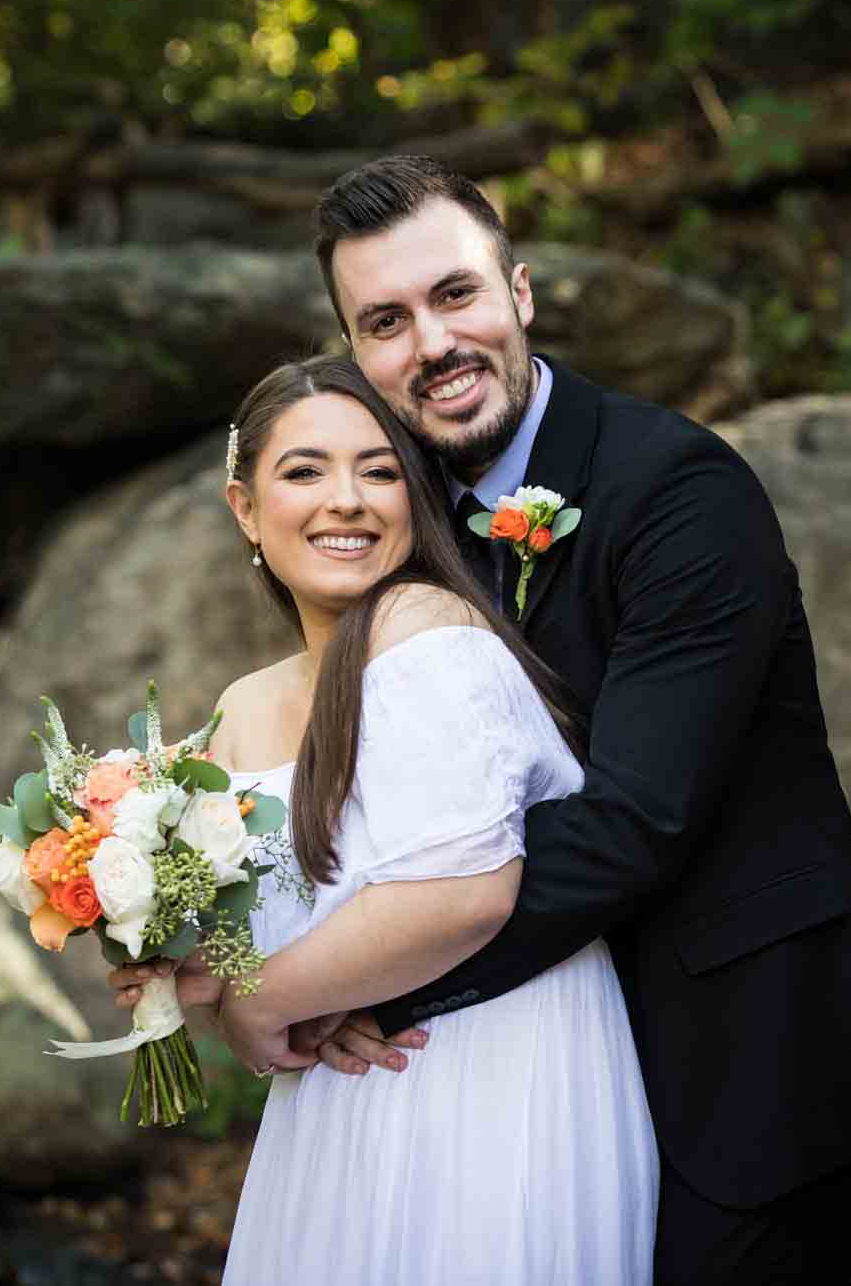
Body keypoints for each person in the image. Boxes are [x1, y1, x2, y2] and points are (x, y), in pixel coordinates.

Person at [123, 155, 851, 1283]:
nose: (430, 344)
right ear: (358, 351)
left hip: (755, 1058)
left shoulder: (677, 493)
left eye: (452, 294)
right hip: (546, 1070)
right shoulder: (404, 524)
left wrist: (337, 983)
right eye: (384, 321)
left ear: (518, 291)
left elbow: (632, 819)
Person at [172, 355, 657, 1282]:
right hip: (338, 1109)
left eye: (380, 470)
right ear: (244, 507)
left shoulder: (426, 626)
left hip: (485, 1082)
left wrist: (260, 1002)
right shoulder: (238, 708)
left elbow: (459, 895)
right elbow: (258, 941)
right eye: (304, 471)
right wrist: (166, 960)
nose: (345, 500)